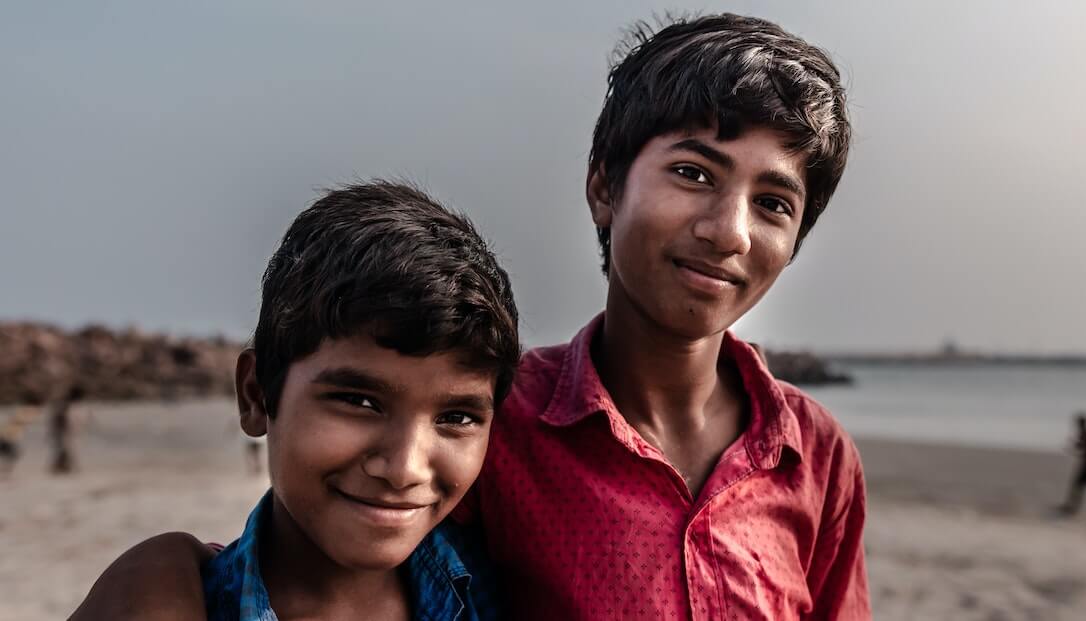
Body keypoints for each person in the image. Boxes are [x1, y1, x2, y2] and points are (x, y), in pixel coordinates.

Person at [72, 13, 868, 620]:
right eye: (694, 171)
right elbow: (334, 550)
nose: (728, 229)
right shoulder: (503, 419)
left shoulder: (816, 457)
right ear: (603, 185)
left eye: (772, 202)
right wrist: (169, 576)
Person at [76, 181, 520, 620]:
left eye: (456, 416)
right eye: (359, 402)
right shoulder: (181, 601)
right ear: (256, 395)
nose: (405, 469)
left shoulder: (511, 585)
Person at [48, 384, 85, 474]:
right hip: (66, 431)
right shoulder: (68, 405)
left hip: (66, 430)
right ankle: (64, 467)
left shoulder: (68, 405)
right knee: (68, 449)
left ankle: (63, 467)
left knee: (66, 449)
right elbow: (62, 418)